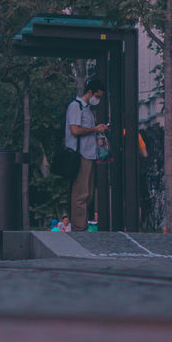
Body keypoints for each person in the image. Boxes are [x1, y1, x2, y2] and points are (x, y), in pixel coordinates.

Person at [65, 77, 108, 231]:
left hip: (90, 154)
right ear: (90, 92)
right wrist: (95, 129)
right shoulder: (76, 107)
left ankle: (81, 225)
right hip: (80, 154)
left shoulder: (88, 110)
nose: (98, 100)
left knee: (88, 194)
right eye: (97, 96)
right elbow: (75, 130)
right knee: (80, 194)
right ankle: (79, 228)